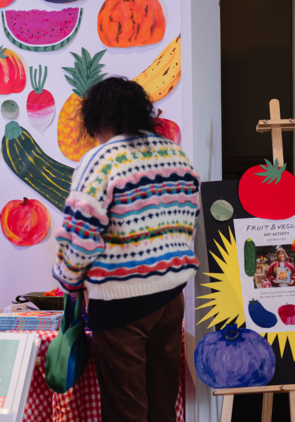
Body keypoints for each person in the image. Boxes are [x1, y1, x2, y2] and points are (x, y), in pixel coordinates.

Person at [52, 77, 200, 422]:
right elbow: (188, 219)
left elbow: (80, 232)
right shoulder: (175, 154)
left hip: (121, 303)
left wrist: (70, 283)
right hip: (171, 297)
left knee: (126, 408)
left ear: (99, 119)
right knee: (163, 402)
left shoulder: (102, 158)